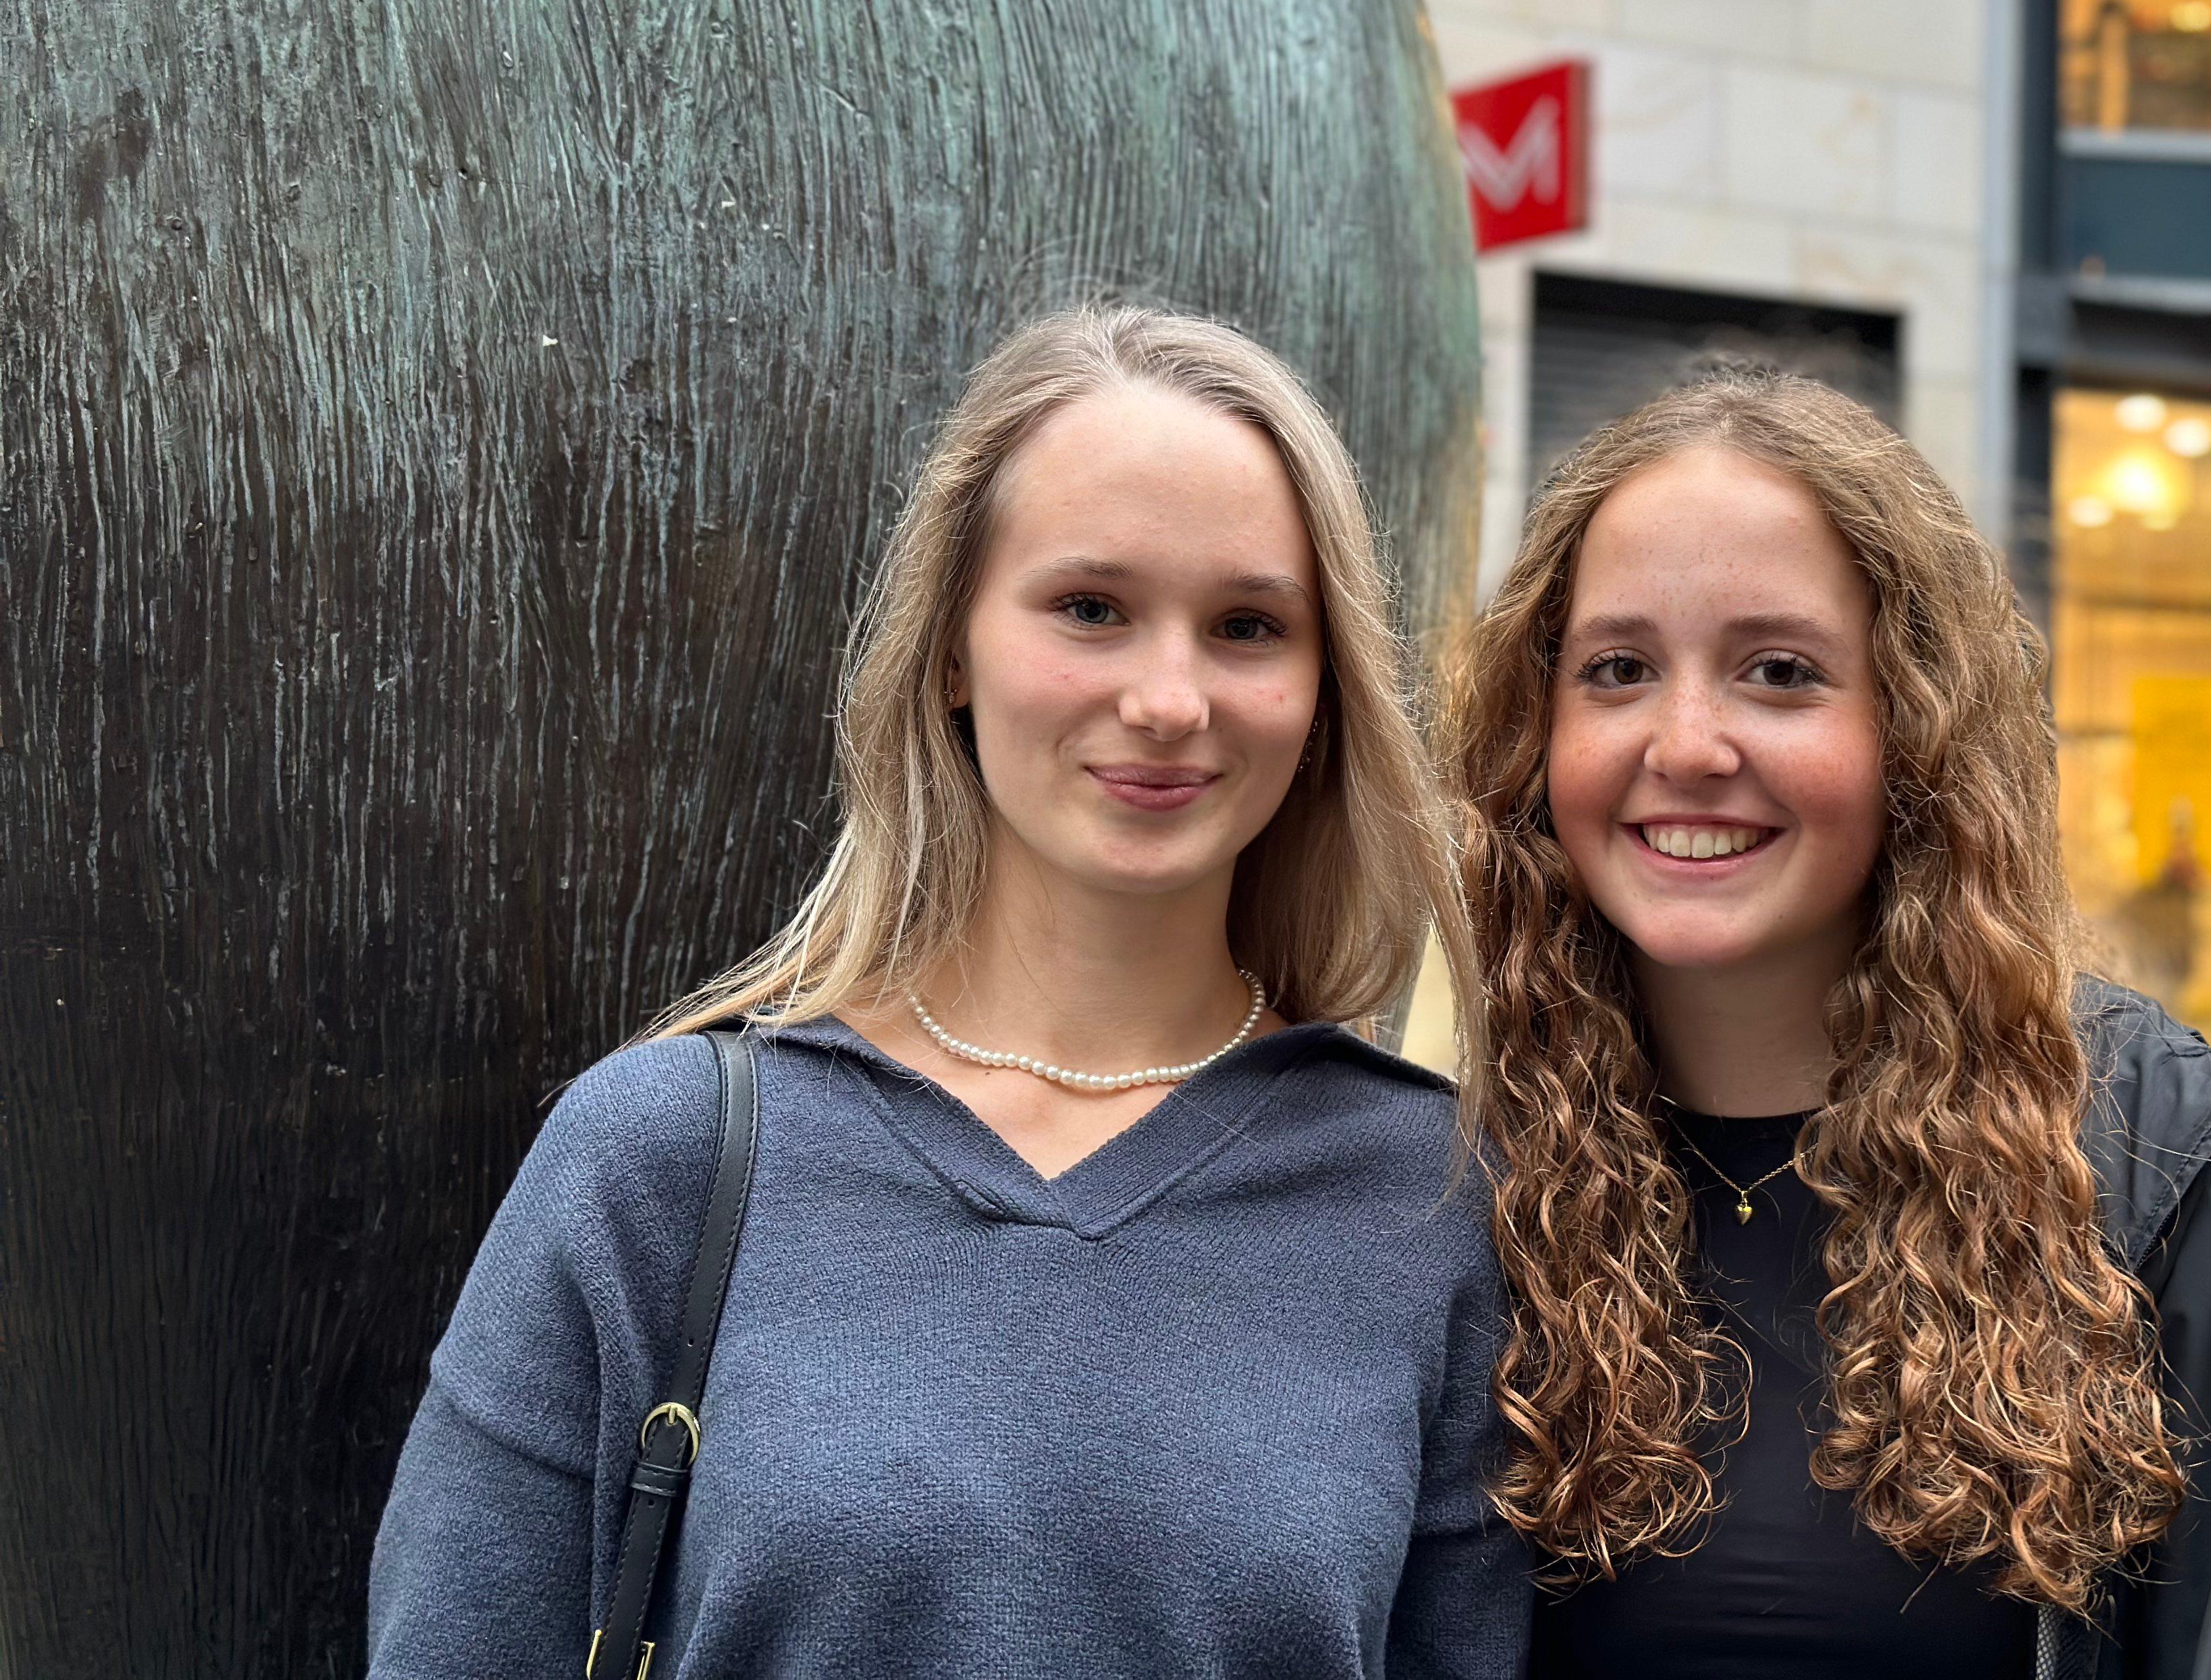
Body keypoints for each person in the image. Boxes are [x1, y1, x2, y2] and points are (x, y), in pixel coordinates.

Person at [366, 305, 1528, 1678]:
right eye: (1092, 608)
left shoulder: (1432, 1201)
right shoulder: (659, 1161)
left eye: (1246, 626)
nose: (1169, 697)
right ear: (953, 651)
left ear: (1323, 688)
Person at [1446, 372, 2211, 1680]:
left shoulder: (2168, 1156)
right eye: (1618, 670)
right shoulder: (1451, 1165)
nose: (1688, 740)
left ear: (1918, 727)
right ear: (1536, 727)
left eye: (1780, 673)